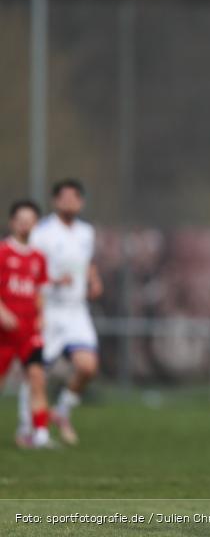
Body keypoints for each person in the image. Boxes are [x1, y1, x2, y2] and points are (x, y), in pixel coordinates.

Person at [19, 179, 103, 446]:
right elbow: (30, 267)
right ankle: (27, 427)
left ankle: (62, 410)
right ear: (55, 201)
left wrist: (94, 279)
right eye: (64, 198)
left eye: (74, 198)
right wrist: (46, 293)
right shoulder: (43, 232)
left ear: (82, 202)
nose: (69, 202)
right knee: (36, 372)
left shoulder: (86, 232)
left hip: (77, 310)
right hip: (51, 309)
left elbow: (87, 262)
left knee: (88, 367)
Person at [1, 200, 52, 449]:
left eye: (30, 219)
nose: (25, 223)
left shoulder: (38, 258)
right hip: (4, 332)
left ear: (36, 223)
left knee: (37, 377)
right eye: (20, 218)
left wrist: (41, 315)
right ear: (12, 222)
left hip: (29, 330)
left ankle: (40, 434)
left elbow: (39, 291)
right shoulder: (2, 252)